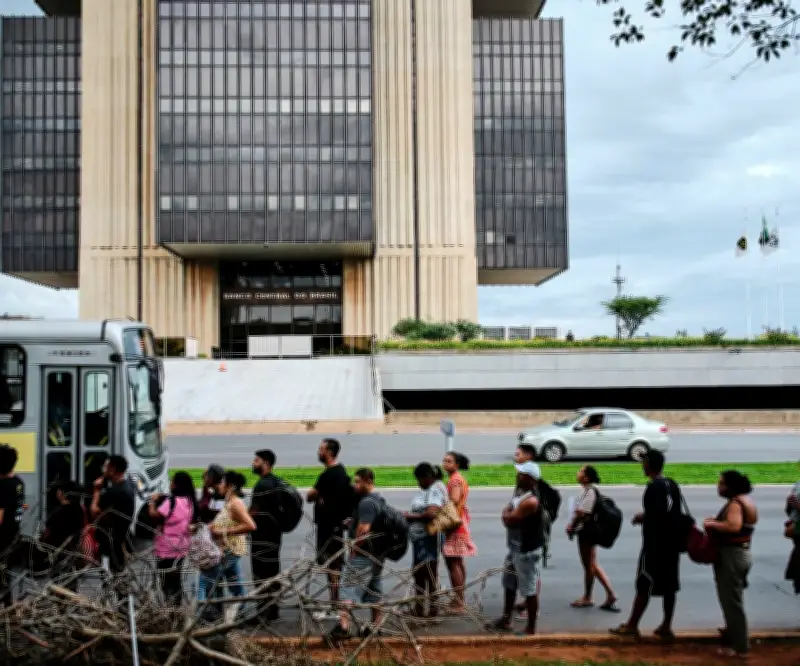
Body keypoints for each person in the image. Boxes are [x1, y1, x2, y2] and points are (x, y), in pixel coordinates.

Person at [611, 450, 682, 640]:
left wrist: (643, 517)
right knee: (669, 585)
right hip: (672, 545)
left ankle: (632, 625)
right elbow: (671, 513)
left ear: (649, 464)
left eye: (644, 462)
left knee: (644, 582)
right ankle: (666, 625)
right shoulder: (671, 484)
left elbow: (657, 516)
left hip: (655, 545)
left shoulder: (653, 487)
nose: (642, 465)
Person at [704, 470, 758, 658]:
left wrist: (711, 524)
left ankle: (740, 647)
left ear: (730, 486)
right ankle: (733, 633)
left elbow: (733, 526)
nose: (718, 487)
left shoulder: (735, 504)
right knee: (734, 598)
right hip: (741, 554)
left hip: (732, 556)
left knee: (731, 602)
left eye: (721, 483)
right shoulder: (746, 500)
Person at [329, 468, 384, 641]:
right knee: (374, 589)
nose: (355, 485)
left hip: (363, 554)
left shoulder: (366, 502)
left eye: (358, 481)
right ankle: (376, 625)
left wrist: (354, 550)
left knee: (347, 587)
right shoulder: (379, 499)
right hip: (377, 554)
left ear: (368, 481)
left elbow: (364, 531)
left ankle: (343, 627)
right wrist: (353, 522)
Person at [492, 461, 544, 635]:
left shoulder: (530, 501)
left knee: (529, 590)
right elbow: (509, 515)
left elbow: (508, 519)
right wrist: (508, 513)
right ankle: (506, 619)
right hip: (515, 548)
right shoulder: (521, 493)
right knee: (509, 584)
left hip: (526, 551)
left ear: (530, 479)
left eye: (521, 474)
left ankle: (531, 627)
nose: (517, 475)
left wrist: (506, 513)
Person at [307, 438, 353, 620]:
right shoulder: (337, 473)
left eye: (321, 449)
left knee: (332, 564)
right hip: (333, 526)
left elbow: (310, 495)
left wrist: (316, 493)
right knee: (332, 565)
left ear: (329, 452)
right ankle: (334, 602)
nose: (318, 452)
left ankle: (335, 605)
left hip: (330, 527)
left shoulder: (331, 474)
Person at [565, 465, 618, 611]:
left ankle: (588, 597)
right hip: (588, 533)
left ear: (586, 477)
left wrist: (571, 526)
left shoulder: (590, 492)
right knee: (593, 565)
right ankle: (611, 594)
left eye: (580, 471)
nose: (577, 472)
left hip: (586, 534)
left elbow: (582, 513)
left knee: (588, 566)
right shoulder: (588, 491)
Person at [201, 471, 256, 609]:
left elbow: (250, 525)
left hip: (229, 551)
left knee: (207, 581)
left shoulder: (236, 503)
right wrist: (204, 527)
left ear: (230, 486)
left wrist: (222, 532)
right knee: (235, 586)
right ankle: (237, 614)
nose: (220, 485)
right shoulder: (229, 502)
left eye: (222, 482)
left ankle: (212, 615)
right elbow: (226, 522)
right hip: (227, 550)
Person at [148, 471, 198, 605]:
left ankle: (170, 609)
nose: (170, 484)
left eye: (172, 481)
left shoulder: (171, 501)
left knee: (165, 580)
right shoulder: (190, 500)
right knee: (177, 579)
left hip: (166, 548)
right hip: (182, 546)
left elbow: (155, 515)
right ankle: (177, 606)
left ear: (176, 484)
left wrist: (152, 501)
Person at [404, 462, 447, 618]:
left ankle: (430, 608)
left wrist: (409, 516)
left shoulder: (435, 489)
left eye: (419, 479)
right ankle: (421, 607)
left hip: (427, 537)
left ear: (428, 477)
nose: (418, 483)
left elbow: (431, 513)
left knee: (427, 572)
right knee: (420, 573)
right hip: (421, 537)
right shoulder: (432, 488)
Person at [441, 451, 477, 614]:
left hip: (454, 525)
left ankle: (459, 602)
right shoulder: (459, 478)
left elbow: (454, 500)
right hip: (461, 522)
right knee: (458, 561)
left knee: (452, 563)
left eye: (449, 461)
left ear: (456, 465)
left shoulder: (455, 480)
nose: (445, 464)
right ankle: (459, 597)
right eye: (444, 461)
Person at [249, 449, 283, 622]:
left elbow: (253, 512)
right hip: (274, 536)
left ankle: (262, 612)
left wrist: (242, 524)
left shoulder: (262, 485)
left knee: (261, 574)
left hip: (261, 536)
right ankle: (273, 609)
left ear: (266, 464)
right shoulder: (277, 482)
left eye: (256, 460)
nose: (253, 463)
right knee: (272, 572)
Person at [91, 455, 135, 574]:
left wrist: (96, 491)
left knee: (110, 576)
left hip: (110, 541)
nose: (103, 469)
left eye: (105, 466)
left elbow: (95, 512)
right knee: (118, 574)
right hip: (121, 538)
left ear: (113, 469)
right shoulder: (128, 485)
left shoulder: (114, 492)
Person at [38, 480, 86, 587]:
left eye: (59, 491)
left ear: (62, 493)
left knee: (60, 582)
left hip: (60, 552)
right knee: (70, 582)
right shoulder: (78, 509)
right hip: (73, 552)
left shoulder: (61, 512)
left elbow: (51, 531)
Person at [0, 444, 24, 606]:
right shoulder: (18, 482)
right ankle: (8, 607)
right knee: (5, 573)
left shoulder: (2, 487)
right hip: (13, 534)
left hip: (1, 537)